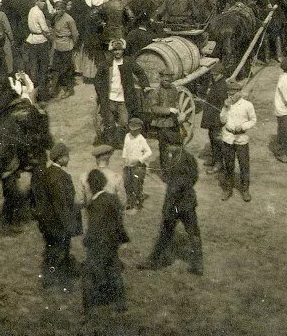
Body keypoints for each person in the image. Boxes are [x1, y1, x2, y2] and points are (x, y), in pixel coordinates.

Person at [140, 146, 203, 276]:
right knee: (193, 233)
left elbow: (174, 188)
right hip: (188, 202)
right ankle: (198, 265)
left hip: (175, 205)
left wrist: (167, 209)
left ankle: (153, 261)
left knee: (165, 233)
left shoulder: (176, 162)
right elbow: (194, 176)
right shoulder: (189, 157)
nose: (168, 149)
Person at [30, 142, 81, 289]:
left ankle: (51, 277)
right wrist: (68, 224)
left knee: (52, 249)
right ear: (61, 158)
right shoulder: (59, 177)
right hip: (58, 223)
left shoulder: (46, 173)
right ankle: (56, 279)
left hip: (48, 222)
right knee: (60, 250)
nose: (69, 159)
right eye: (67, 156)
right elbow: (61, 204)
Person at [81, 167, 129, 315]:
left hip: (98, 243)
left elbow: (94, 226)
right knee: (114, 270)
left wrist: (87, 240)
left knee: (90, 272)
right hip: (112, 241)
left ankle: (90, 306)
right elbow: (118, 220)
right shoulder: (112, 198)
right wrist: (121, 237)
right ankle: (120, 302)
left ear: (90, 186)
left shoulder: (95, 204)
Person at [218, 87, 257, 201]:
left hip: (241, 138)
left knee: (244, 165)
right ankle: (228, 189)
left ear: (239, 93)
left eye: (233, 94)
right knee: (229, 164)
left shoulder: (247, 105)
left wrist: (243, 126)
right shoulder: (227, 104)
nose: (231, 96)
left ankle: (245, 190)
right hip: (228, 138)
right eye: (229, 93)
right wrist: (225, 108)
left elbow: (253, 120)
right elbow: (222, 120)